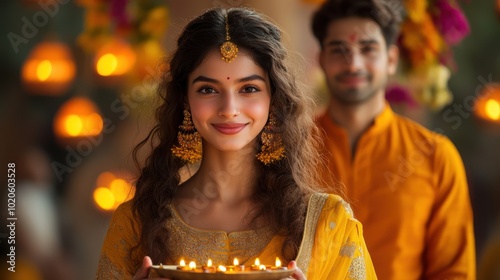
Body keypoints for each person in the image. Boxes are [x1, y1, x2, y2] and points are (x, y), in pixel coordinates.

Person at [96, 7, 377, 280]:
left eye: (249, 89)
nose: (229, 108)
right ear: (185, 100)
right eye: (208, 89)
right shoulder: (135, 224)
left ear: (274, 100)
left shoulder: (328, 224)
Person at [311, 0, 476, 279]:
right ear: (322, 60)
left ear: (391, 60)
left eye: (368, 49)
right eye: (339, 50)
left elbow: (454, 272)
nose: (354, 63)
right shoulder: (288, 150)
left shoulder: (434, 156)